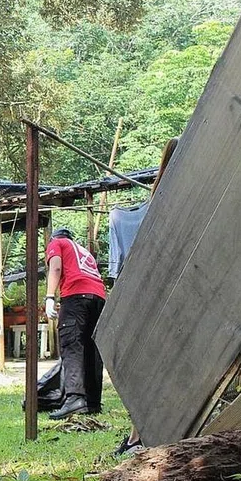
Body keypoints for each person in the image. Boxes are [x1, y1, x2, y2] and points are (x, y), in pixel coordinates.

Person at [111, 137, 178, 455]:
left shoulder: (159, 204)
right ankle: (139, 435)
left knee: (153, 367)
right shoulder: (164, 205)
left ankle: (139, 435)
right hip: (163, 297)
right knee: (159, 366)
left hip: (152, 298)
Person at [44, 227, 107, 419]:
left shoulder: (57, 243)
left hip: (76, 297)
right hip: (98, 298)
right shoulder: (83, 251)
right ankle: (92, 402)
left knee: (72, 346)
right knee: (92, 349)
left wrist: (49, 297)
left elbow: (56, 267)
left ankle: (74, 399)